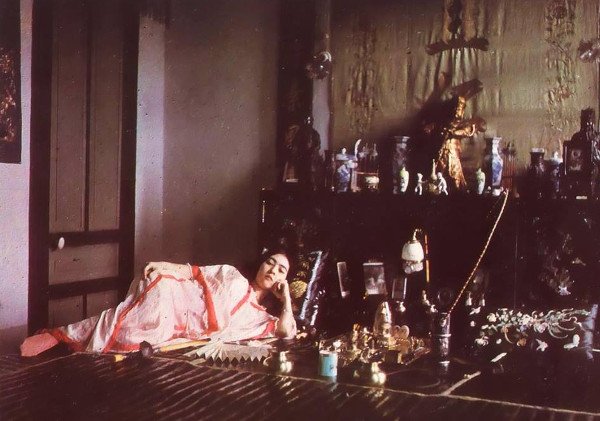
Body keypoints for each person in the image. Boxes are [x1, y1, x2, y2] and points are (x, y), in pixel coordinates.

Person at [20, 249, 297, 357]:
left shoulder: (259, 317)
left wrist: (285, 298)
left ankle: (64, 335)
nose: (272, 269)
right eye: (270, 262)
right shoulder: (231, 274)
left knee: (129, 326)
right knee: (134, 318)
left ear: (284, 280)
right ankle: (59, 336)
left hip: (179, 327)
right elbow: (193, 272)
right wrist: (164, 265)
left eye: (281, 270)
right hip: (174, 295)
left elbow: (287, 331)